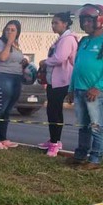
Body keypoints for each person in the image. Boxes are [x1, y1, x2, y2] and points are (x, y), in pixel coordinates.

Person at [66, 4, 103, 169]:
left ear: (100, 20)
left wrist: (98, 86)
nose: (86, 24)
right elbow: (77, 66)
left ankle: (95, 159)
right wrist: (71, 89)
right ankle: (81, 155)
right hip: (79, 90)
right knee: (83, 126)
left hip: (96, 92)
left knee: (96, 126)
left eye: (89, 20)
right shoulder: (84, 41)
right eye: (84, 20)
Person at [37, 12, 78, 157]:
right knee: (53, 111)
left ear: (65, 24)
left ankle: (54, 143)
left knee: (54, 112)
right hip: (53, 81)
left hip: (61, 81)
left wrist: (45, 62)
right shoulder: (61, 39)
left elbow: (60, 58)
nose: (53, 26)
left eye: (56, 23)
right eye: (52, 23)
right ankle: (54, 140)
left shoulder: (67, 39)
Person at [0, 20, 27, 150]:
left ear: (18, 32)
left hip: (16, 77)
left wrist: (24, 62)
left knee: (7, 110)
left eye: (13, 30)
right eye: (7, 29)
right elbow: (3, 57)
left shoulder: (17, 45)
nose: (9, 32)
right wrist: (9, 42)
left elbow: (15, 60)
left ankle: (3, 138)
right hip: (2, 76)